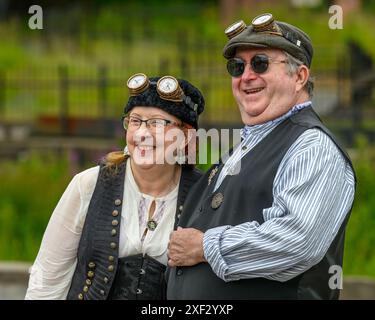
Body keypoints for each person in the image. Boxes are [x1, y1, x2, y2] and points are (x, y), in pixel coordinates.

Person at [167, 13, 356, 300]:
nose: (246, 76)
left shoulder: (312, 145)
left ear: (299, 76)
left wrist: (205, 246)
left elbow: (297, 242)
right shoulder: (245, 145)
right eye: (237, 66)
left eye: (261, 63)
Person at [25, 74, 205, 300]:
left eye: (157, 123)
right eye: (136, 121)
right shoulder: (88, 185)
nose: (142, 134)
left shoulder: (204, 193)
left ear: (185, 136)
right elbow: (47, 280)